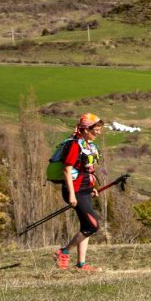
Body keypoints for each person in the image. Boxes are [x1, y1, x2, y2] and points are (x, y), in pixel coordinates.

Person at [53, 113, 104, 272]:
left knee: (86, 226)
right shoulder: (74, 145)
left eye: (100, 129)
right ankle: (63, 252)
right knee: (93, 226)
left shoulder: (87, 145)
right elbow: (67, 170)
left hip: (85, 190)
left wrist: (91, 187)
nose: (98, 132)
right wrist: (72, 195)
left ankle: (81, 264)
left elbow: (85, 170)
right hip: (75, 191)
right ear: (85, 129)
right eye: (96, 129)